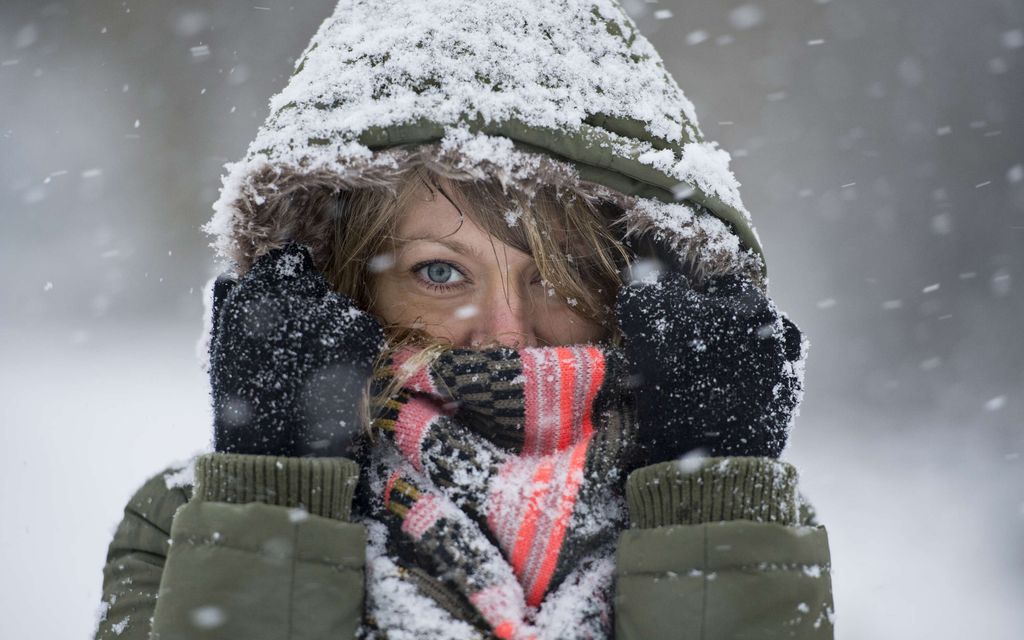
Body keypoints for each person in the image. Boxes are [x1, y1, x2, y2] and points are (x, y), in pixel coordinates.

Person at [94, 1, 835, 638]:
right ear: (346, 283)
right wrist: (273, 499)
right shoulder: (188, 520)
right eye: (440, 272)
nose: (508, 331)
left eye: (561, 277)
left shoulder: (736, 516)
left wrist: (706, 509)